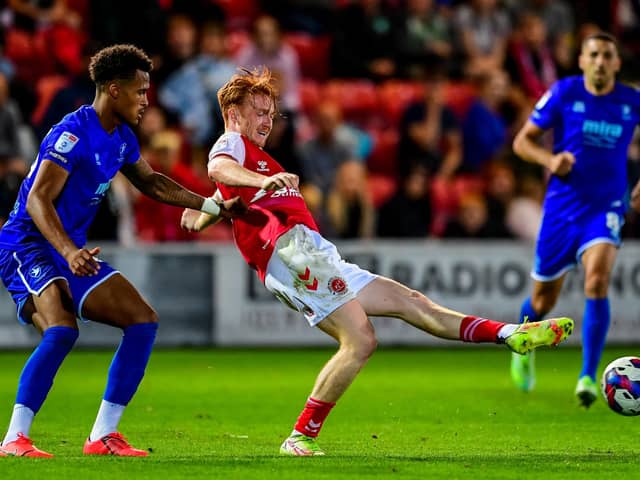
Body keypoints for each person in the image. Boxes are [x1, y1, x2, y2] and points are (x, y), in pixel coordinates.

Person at [181, 67, 574, 457]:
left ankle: (509, 335)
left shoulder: (258, 159)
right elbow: (218, 167)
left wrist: (202, 215)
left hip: (315, 252)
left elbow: (225, 198)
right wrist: (258, 181)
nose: (267, 121)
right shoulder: (233, 144)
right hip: (291, 254)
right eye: (258, 111)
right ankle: (300, 436)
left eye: (271, 113)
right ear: (233, 113)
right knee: (361, 339)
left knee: (412, 302)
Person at [0, 44, 244, 458]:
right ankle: (13, 439)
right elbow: (39, 200)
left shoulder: (122, 138)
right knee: (60, 329)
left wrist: (210, 205)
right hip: (29, 243)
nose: (147, 101)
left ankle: (103, 436)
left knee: (142, 320)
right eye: (140, 91)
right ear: (114, 90)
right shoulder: (71, 133)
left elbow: (151, 183)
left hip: (68, 248)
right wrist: (68, 249)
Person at [509, 32, 640, 407]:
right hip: (563, 210)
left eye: (607, 55)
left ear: (616, 63)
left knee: (597, 280)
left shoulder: (631, 101)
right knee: (542, 300)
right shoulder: (565, 93)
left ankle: (586, 375)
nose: (600, 61)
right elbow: (522, 142)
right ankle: (521, 345)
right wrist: (550, 161)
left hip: (607, 207)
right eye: (594, 54)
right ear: (582, 60)